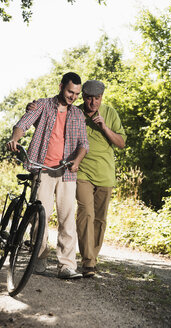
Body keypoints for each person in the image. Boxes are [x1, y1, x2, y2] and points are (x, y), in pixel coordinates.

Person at [7, 72, 89, 279]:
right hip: (42, 169)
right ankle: (39, 258)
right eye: (70, 91)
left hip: (67, 173)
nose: (73, 97)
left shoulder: (78, 115)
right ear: (61, 86)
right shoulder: (42, 105)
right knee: (39, 217)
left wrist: (77, 161)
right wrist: (15, 139)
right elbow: (22, 124)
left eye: (77, 94)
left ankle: (67, 266)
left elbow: (83, 144)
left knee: (67, 218)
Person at [76, 80, 126, 278]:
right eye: (89, 98)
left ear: (102, 98)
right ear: (84, 97)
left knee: (100, 219)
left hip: (105, 174)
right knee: (85, 213)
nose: (93, 102)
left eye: (97, 98)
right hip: (82, 171)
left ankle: (92, 259)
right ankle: (88, 261)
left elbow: (121, 143)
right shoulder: (75, 113)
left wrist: (105, 127)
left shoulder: (110, 113)